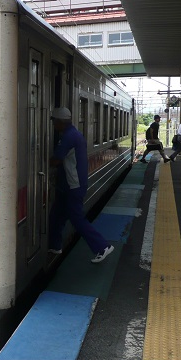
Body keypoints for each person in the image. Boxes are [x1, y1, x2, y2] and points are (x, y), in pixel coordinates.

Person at [48, 107, 115, 263]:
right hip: (67, 186)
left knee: (77, 219)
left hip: (73, 185)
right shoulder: (74, 134)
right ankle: (55, 246)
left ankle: (102, 247)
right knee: (56, 216)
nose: (53, 124)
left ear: (60, 121)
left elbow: (56, 160)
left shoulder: (68, 137)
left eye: (53, 121)